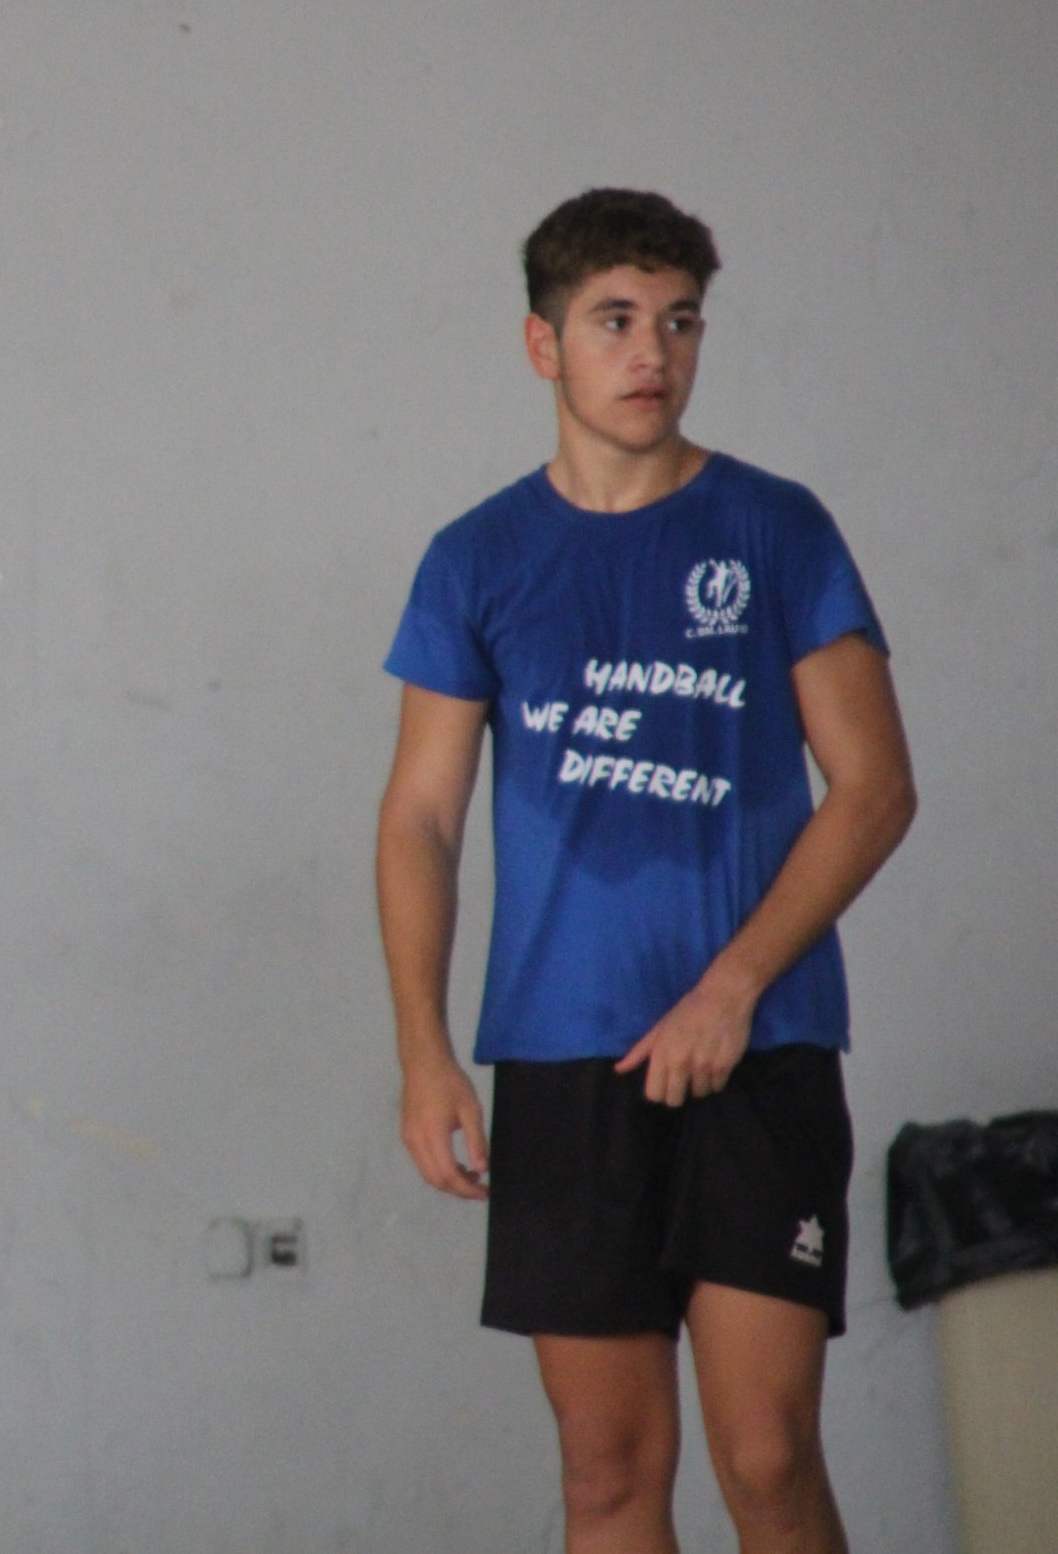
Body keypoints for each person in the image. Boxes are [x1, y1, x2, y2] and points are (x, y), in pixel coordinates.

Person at [376, 189, 917, 1554]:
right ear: (541, 345)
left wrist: (731, 989)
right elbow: (420, 818)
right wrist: (425, 1049)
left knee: (767, 1456)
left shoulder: (776, 527)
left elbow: (874, 788)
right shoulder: (476, 557)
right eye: (614, 320)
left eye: (678, 322)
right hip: (565, 1058)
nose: (651, 353)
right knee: (608, 1473)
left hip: (760, 1048)